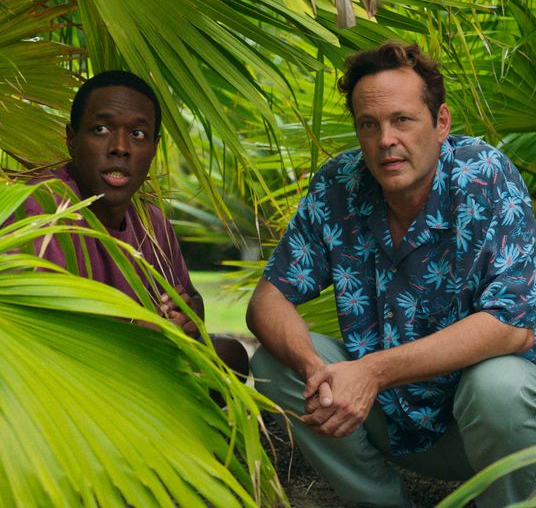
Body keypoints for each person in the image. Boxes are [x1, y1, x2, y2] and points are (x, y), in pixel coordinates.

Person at [247, 42, 536, 507]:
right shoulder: (340, 184)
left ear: (440, 123)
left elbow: (511, 326)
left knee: (498, 386)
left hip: (487, 427)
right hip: (385, 418)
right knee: (272, 364)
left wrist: (370, 373)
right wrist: (320, 374)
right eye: (369, 124)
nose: (385, 140)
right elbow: (267, 300)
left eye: (403, 120)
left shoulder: (483, 177)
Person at [13, 70, 248, 381]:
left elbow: (193, 301)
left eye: (137, 134)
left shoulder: (152, 221)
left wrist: (185, 316)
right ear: (71, 139)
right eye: (101, 129)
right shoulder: (42, 208)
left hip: (142, 372)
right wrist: (135, 334)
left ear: (153, 148)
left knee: (229, 356)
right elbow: (27, 332)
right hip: (63, 380)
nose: (120, 147)